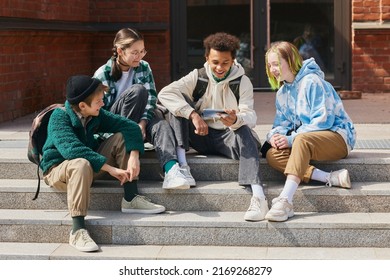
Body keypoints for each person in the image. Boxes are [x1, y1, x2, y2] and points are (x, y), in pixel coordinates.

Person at [41, 75, 166, 252]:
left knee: (122, 137)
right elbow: (72, 151)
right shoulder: (59, 117)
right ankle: (77, 230)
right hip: (59, 172)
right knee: (80, 163)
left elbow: (130, 126)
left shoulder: (95, 115)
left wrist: (134, 156)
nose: (102, 104)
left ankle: (131, 198)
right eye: (99, 101)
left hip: (88, 168)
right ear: (83, 105)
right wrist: (110, 169)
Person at [158, 32, 268, 222]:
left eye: (225, 63)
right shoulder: (198, 76)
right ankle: (182, 166)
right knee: (177, 105)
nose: (219, 67)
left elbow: (250, 115)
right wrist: (192, 114)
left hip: (228, 137)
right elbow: (165, 93)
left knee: (243, 129)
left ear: (233, 60)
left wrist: (236, 119)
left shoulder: (243, 82)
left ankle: (258, 196)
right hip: (200, 134)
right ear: (207, 58)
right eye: (215, 62)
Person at [263, 41, 356, 222]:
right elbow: (280, 124)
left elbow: (323, 121)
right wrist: (275, 136)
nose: (272, 69)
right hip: (306, 140)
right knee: (272, 154)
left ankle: (285, 200)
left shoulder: (312, 82)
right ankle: (329, 177)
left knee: (300, 140)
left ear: (290, 61)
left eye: (276, 64)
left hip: (337, 137)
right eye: (269, 65)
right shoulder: (282, 93)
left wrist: (290, 139)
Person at [93, 28, 194, 190]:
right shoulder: (102, 74)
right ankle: (130, 145)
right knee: (138, 90)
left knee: (160, 123)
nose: (139, 56)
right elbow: (98, 112)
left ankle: (171, 170)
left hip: (140, 120)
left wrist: (142, 123)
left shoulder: (144, 67)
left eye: (142, 51)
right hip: (115, 126)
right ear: (120, 51)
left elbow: (151, 98)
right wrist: (132, 129)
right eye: (134, 52)